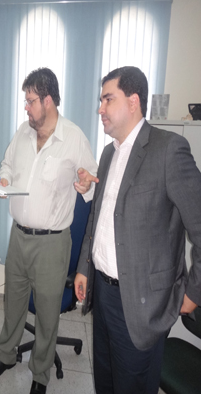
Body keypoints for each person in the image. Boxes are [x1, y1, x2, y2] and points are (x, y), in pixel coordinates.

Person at [74, 66, 201, 393]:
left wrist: (194, 292)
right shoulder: (108, 153)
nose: (100, 108)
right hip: (103, 294)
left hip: (142, 304)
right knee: (105, 381)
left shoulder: (168, 149)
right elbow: (98, 217)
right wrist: (85, 267)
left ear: (133, 102)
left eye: (108, 99)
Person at [0, 68, 98, 394]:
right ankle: (6, 355)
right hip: (18, 235)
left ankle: (40, 374)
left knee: (48, 313)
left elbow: (92, 182)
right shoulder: (23, 131)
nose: (26, 107)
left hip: (52, 243)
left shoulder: (73, 137)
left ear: (48, 100)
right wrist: (5, 180)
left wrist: (85, 183)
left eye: (31, 100)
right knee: (13, 302)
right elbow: (7, 164)